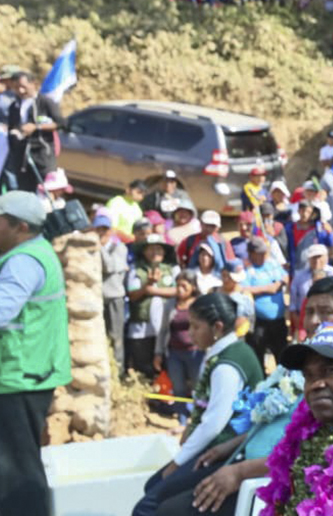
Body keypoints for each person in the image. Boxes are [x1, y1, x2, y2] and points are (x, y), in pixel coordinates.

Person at [165, 322, 333, 516]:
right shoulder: (310, 427)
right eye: (309, 376)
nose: (316, 384)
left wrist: (241, 472)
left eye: (331, 371)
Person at [132, 293, 264, 516]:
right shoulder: (226, 352)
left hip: (226, 451)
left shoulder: (227, 366)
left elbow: (213, 424)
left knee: (148, 506)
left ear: (217, 327)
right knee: (153, 486)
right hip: (217, 445)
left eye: (195, 327)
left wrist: (177, 463)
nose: (190, 333)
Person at [0, 191, 69, 516]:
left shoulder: (24, 262)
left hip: (20, 377)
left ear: (20, 227)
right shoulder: (32, 251)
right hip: (26, 374)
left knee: (17, 471)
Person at [126, 234, 179, 378]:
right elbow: (132, 294)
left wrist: (154, 290)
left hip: (167, 328)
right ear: (144, 251)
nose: (155, 252)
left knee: (166, 369)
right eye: (151, 249)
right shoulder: (136, 269)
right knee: (144, 369)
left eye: (159, 249)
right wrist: (146, 286)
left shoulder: (172, 269)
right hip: (141, 328)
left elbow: (179, 290)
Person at [154, 270, 202, 424]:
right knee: (178, 386)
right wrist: (158, 352)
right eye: (177, 285)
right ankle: (182, 415)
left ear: (193, 287)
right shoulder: (170, 305)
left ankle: (199, 416)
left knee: (198, 385)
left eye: (184, 285)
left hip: (196, 353)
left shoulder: (199, 305)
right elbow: (163, 330)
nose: (180, 289)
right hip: (175, 352)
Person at [242, 236, 288, 367]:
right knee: (258, 357)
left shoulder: (272, 263)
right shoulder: (248, 270)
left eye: (264, 253)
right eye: (259, 254)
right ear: (251, 254)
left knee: (282, 357)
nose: (263, 256)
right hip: (259, 322)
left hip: (278, 320)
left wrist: (279, 284)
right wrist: (268, 288)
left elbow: (285, 277)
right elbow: (243, 288)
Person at [95, 212, 130, 371]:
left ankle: (118, 371)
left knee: (116, 338)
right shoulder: (94, 248)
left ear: (110, 231)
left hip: (115, 298)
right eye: (98, 229)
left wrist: (100, 247)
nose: (101, 233)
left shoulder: (119, 248)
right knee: (99, 337)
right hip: (99, 299)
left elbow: (108, 266)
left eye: (105, 229)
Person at [289, 244, 333, 340]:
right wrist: (297, 322)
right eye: (313, 258)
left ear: (326, 257)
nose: (317, 261)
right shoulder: (299, 276)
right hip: (304, 322)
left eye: (319, 257)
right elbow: (293, 300)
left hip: (329, 322)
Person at [282, 200, 333, 274]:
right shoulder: (290, 228)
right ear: (299, 211)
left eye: (308, 212)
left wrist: (329, 232)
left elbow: (329, 243)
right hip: (296, 268)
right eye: (303, 211)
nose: (305, 214)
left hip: (315, 268)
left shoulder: (318, 229)